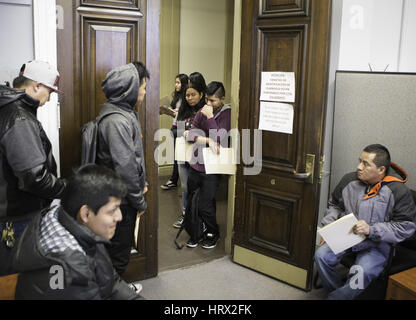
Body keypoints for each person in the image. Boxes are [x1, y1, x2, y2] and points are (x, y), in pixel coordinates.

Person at [12, 164, 142, 300]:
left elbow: (109, 280)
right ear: (86, 213)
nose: (119, 217)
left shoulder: (70, 220)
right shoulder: (70, 271)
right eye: (112, 210)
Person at [315, 144, 416, 300]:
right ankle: (339, 294)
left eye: (365, 164)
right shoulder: (349, 180)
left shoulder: (398, 191)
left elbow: (406, 227)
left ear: (381, 170)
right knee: (321, 256)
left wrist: (371, 229)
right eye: (359, 161)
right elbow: (335, 205)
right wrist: (329, 225)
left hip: (377, 244)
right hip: (347, 235)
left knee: (360, 273)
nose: (358, 167)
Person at [0, 61, 67, 276]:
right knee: (16, 277)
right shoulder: (19, 118)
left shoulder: (8, 109)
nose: (50, 98)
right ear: (37, 86)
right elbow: (33, 178)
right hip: (16, 219)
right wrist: (68, 188)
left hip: (10, 216)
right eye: (50, 91)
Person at [96, 61, 149, 276]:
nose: (145, 92)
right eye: (143, 87)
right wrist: (139, 200)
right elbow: (125, 167)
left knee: (118, 253)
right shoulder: (117, 121)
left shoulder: (124, 114)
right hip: (122, 200)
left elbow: (132, 160)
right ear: (130, 89)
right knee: (118, 256)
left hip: (125, 197)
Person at [184, 81, 231, 249]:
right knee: (192, 201)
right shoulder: (202, 111)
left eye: (213, 101)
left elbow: (219, 137)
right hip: (195, 164)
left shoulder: (227, 114)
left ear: (222, 99)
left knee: (206, 203)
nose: (209, 105)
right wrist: (207, 140)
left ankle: (213, 232)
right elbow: (189, 133)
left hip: (213, 167)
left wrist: (210, 118)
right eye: (207, 100)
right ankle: (197, 231)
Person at [172, 78, 207, 229]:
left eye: (193, 95)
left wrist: (192, 133)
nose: (190, 98)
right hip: (183, 152)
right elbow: (174, 130)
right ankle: (186, 214)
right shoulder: (183, 111)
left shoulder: (205, 111)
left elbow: (210, 133)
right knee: (185, 186)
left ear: (201, 94)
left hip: (199, 155)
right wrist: (183, 131)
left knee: (199, 188)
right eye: (187, 95)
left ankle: (199, 217)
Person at [160, 73, 189, 191]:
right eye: (175, 82)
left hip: (183, 126)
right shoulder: (177, 97)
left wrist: (179, 112)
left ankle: (175, 180)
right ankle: (175, 179)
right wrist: (165, 110)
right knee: (175, 154)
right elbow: (173, 111)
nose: (176, 85)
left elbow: (187, 113)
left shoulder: (188, 96)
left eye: (178, 82)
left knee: (179, 155)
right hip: (175, 125)